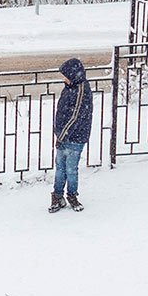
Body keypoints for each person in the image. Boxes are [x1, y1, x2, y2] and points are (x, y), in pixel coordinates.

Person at [49, 57, 92, 213]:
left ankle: (72, 195)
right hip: (63, 136)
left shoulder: (81, 90)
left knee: (71, 169)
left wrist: (63, 135)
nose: (64, 79)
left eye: (66, 76)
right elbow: (62, 111)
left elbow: (76, 116)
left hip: (75, 137)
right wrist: (59, 133)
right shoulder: (69, 87)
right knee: (60, 168)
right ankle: (57, 196)